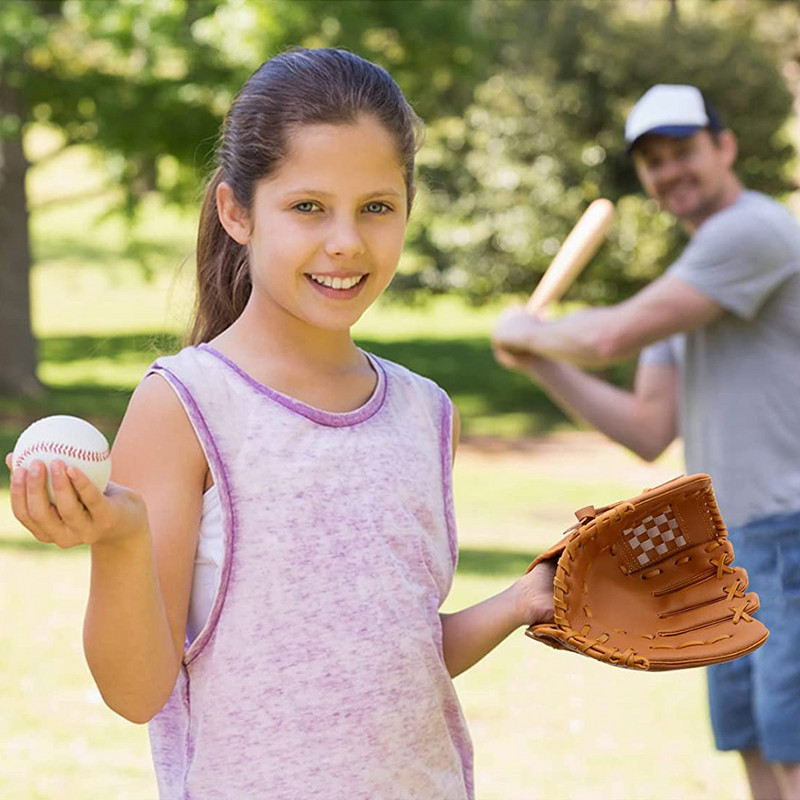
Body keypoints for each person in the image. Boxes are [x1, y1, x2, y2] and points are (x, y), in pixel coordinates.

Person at [7, 48, 555, 799]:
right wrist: (122, 541)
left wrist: (524, 601)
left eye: (376, 207)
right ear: (238, 211)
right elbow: (136, 692)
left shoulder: (426, 413)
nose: (346, 243)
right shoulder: (186, 405)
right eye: (307, 207)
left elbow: (389, 656)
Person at [492, 83, 800, 800]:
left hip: (790, 533)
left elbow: (606, 335)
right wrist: (537, 358)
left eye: (684, 149)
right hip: (729, 544)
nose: (671, 171)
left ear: (725, 147)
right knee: (754, 742)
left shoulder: (752, 232)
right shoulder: (692, 284)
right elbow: (644, 429)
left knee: (793, 746)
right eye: (654, 160)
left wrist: (531, 332)